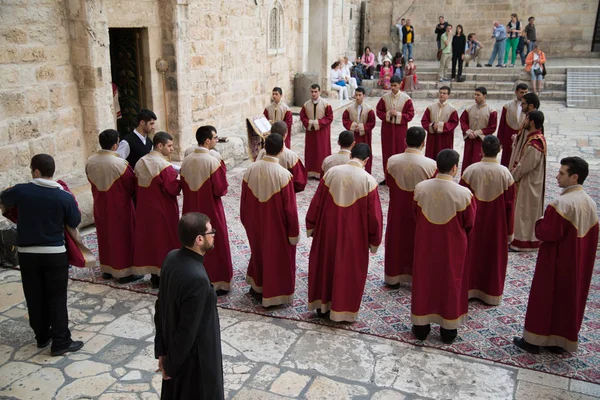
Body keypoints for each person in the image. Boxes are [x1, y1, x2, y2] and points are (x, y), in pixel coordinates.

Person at [0, 154, 84, 356]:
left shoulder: (22, 191)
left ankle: (42, 336)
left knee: (34, 295)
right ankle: (61, 341)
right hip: (54, 253)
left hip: (27, 253)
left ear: (36, 171)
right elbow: (74, 220)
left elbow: (4, 198)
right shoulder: (63, 196)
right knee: (56, 298)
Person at [514, 157, 599, 354]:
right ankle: (559, 342)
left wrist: (540, 221)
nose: (556, 177)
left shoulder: (561, 204)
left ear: (575, 177)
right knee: (568, 300)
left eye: (562, 173)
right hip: (577, 264)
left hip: (555, 262)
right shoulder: (591, 204)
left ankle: (534, 340)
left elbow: (544, 233)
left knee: (545, 298)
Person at [306, 143, 383, 322]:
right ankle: (344, 311)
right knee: (348, 270)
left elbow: (317, 201)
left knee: (326, 265)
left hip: (328, 229)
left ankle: (322, 307)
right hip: (355, 235)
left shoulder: (332, 173)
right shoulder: (369, 181)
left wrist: (311, 224)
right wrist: (374, 240)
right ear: (366, 160)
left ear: (351, 155)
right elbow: (375, 217)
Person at [154, 213, 225, 399]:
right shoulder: (197, 279)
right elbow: (187, 331)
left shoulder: (171, 258)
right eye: (211, 232)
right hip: (195, 363)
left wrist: (162, 350)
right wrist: (170, 366)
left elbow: (159, 308)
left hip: (174, 353)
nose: (214, 235)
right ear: (199, 239)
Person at [411, 149, 476, 344]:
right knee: (451, 282)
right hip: (453, 246)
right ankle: (448, 330)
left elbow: (415, 214)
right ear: (455, 168)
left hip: (425, 242)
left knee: (425, 280)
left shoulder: (421, 188)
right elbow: (470, 223)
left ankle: (421, 326)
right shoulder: (464, 194)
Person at [241, 134, 300, 307]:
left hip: (254, 222)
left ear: (264, 148)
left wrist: (246, 221)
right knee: (277, 258)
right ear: (282, 149)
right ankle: (275, 294)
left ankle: (257, 287)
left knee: (258, 252)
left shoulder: (250, 170)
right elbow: (290, 210)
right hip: (277, 226)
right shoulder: (284, 175)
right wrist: (293, 233)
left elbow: (243, 200)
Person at [460, 136, 515, 306]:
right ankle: (490, 294)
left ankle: (468, 290)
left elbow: (462, 201)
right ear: (499, 151)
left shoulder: (470, 171)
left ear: (481, 150)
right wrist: (509, 233)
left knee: (472, 255)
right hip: (496, 225)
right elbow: (510, 205)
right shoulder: (506, 174)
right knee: (492, 258)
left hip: (473, 223)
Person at [180, 126, 232, 293]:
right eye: (215, 137)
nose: (217, 140)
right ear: (207, 140)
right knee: (214, 242)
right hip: (210, 210)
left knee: (192, 243)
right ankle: (218, 281)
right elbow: (220, 189)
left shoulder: (186, 160)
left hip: (190, 209)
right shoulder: (212, 161)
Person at [86, 129, 140, 284]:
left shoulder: (90, 161)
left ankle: (107, 270)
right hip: (120, 207)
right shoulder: (120, 164)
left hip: (100, 204)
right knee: (123, 238)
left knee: (105, 236)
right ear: (116, 144)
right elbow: (131, 186)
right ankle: (124, 272)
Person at [385, 127, 436, 285]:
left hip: (397, 209)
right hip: (420, 211)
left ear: (405, 141)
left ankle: (393, 277)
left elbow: (389, 183)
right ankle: (416, 277)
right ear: (424, 143)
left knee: (396, 239)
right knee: (417, 241)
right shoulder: (431, 165)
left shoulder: (392, 161)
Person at [133, 132, 181, 288]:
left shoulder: (140, 162)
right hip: (163, 209)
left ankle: (154, 275)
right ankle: (165, 275)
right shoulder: (164, 166)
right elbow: (172, 189)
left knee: (150, 240)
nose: (172, 149)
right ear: (160, 146)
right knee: (165, 240)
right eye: (169, 145)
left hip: (145, 209)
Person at [510, 110, 546, 252]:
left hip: (529, 183)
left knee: (524, 212)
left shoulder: (535, 143)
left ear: (531, 122)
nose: (523, 122)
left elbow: (525, 166)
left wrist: (512, 177)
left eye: (526, 119)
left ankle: (523, 242)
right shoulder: (534, 138)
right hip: (529, 181)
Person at [376, 75, 415, 183]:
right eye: (391, 85)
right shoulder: (384, 98)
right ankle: (388, 177)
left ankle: (400, 178)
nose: (392, 88)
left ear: (400, 84)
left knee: (400, 151)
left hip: (400, 130)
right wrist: (388, 114)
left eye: (395, 85)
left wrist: (398, 114)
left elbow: (410, 114)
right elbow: (379, 111)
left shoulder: (406, 99)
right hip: (387, 129)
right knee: (387, 152)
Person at [256, 121, 308, 192]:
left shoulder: (262, 152)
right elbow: (300, 181)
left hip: (263, 191)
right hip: (283, 192)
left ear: (270, 132)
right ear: (286, 134)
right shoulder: (291, 155)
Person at [459, 87, 498, 173]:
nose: (475, 97)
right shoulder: (469, 109)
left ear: (484, 96)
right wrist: (468, 131)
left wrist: (478, 132)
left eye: (478, 95)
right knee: (467, 160)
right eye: (475, 94)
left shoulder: (491, 111)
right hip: (470, 139)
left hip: (482, 141)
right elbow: (462, 120)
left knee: (478, 161)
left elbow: (492, 126)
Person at [300, 84, 334, 178]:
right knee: (311, 151)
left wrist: (318, 123)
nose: (314, 94)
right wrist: (309, 123)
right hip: (310, 132)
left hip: (322, 132)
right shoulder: (306, 105)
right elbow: (302, 117)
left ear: (319, 91)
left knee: (322, 151)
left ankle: (321, 172)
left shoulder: (326, 104)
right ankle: (310, 171)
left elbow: (329, 117)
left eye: (315, 92)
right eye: (312, 92)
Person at [342, 87, 376, 173]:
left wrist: (362, 127)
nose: (357, 97)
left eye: (359, 95)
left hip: (364, 136)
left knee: (364, 153)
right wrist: (353, 126)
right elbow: (345, 120)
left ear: (363, 95)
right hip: (353, 136)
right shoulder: (349, 108)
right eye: (356, 95)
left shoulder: (369, 109)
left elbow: (372, 122)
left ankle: (366, 171)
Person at [421, 86, 459, 159]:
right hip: (432, 137)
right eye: (440, 93)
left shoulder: (452, 109)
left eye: (444, 93)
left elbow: (454, 123)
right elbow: (424, 121)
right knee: (431, 156)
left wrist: (440, 126)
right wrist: (432, 126)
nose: (442, 95)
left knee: (444, 157)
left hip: (445, 137)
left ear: (448, 96)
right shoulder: (431, 107)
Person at [498, 84, 528, 167]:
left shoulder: (529, 107)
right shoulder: (507, 106)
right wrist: (500, 142)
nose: (524, 94)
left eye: (526, 92)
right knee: (507, 160)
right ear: (516, 92)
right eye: (522, 92)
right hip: (508, 137)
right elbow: (502, 125)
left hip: (522, 137)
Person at [508, 92, 540, 171]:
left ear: (531, 106)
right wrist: (517, 138)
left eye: (524, 103)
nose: (521, 105)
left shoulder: (533, 121)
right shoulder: (527, 117)